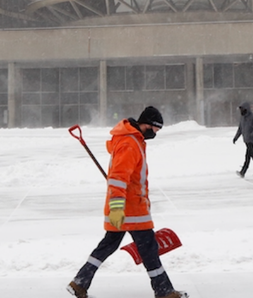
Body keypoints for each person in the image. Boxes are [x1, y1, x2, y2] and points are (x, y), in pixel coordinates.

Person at [68, 106, 186, 298]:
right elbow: (117, 179)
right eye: (155, 130)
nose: (155, 134)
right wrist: (116, 208)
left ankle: (80, 282)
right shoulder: (130, 143)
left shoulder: (132, 140)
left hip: (128, 207)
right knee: (149, 249)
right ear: (147, 124)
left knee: (108, 245)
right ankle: (164, 291)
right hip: (130, 209)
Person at [232, 101, 253, 177]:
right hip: (246, 139)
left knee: (248, 156)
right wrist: (236, 137)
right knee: (252, 155)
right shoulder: (242, 118)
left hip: (252, 140)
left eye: (242, 109)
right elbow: (240, 129)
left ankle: (243, 171)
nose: (241, 111)